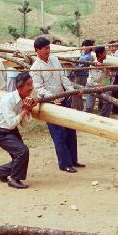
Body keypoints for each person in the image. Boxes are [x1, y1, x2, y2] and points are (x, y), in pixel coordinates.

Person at [30, 36, 82, 173]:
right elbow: (39, 88)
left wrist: (70, 91)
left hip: (63, 100)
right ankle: (64, 164)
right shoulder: (35, 68)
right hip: (50, 104)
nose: (48, 50)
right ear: (37, 50)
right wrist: (52, 98)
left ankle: (73, 160)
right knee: (59, 134)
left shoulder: (54, 59)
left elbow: (63, 77)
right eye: (45, 48)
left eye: (49, 48)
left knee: (71, 129)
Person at [0, 72, 38, 189]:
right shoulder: (8, 99)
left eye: (31, 84)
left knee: (20, 157)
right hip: (1, 132)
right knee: (22, 152)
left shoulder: (24, 99)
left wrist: (28, 109)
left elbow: (24, 124)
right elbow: (11, 124)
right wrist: (25, 110)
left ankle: (0, 171)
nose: (31, 88)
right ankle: (14, 179)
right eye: (28, 84)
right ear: (19, 87)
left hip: (11, 131)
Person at [72, 39, 95, 110]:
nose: (84, 48)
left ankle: (77, 108)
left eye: (87, 46)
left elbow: (79, 68)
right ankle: (79, 107)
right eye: (84, 46)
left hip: (81, 77)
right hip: (79, 76)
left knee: (77, 93)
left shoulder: (87, 57)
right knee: (77, 92)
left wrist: (71, 65)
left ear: (90, 48)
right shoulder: (83, 55)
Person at [84, 46, 108, 114]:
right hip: (91, 86)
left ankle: (104, 117)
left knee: (108, 102)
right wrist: (101, 70)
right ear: (100, 54)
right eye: (104, 52)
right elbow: (95, 80)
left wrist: (106, 86)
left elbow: (107, 78)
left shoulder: (105, 64)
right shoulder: (93, 65)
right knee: (89, 107)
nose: (106, 54)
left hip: (101, 86)